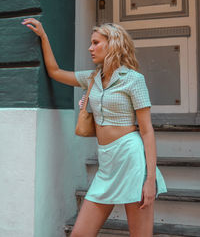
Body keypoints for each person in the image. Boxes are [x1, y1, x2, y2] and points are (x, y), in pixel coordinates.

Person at [22, 18, 167, 237]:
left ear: (113, 44)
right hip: (107, 163)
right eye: (91, 43)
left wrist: (150, 181)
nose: (90, 48)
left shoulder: (134, 80)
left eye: (96, 42)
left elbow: (146, 130)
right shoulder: (92, 78)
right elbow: (55, 72)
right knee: (80, 234)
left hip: (131, 159)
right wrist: (44, 36)